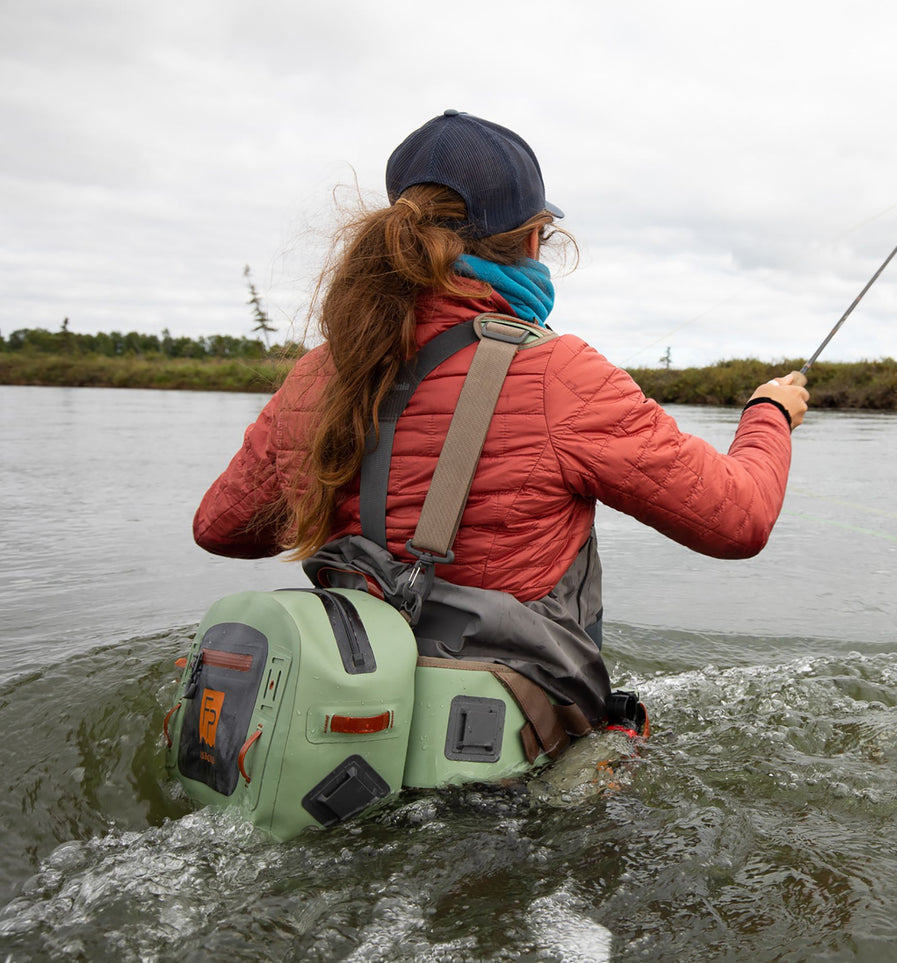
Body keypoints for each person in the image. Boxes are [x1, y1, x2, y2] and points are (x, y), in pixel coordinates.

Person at [192, 110, 808, 724]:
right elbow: (739, 518)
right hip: (508, 762)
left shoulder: (316, 375)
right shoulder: (560, 373)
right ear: (534, 240)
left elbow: (220, 528)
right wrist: (768, 414)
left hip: (342, 723)